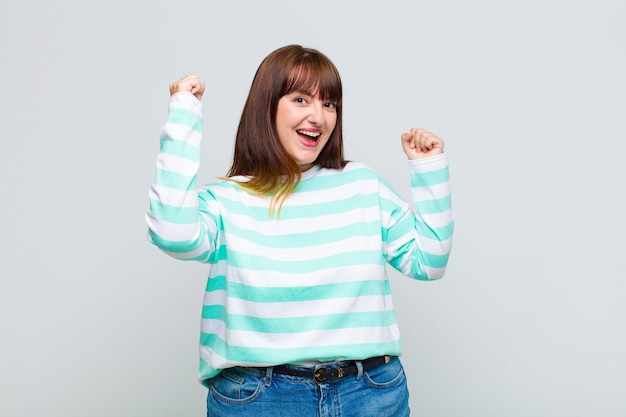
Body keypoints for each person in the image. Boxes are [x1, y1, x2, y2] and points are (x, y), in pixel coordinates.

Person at [146, 44, 454, 416]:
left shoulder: (362, 185)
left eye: (329, 104)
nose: (319, 117)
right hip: (260, 399)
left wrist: (430, 170)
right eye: (301, 99)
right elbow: (172, 233)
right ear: (268, 106)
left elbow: (429, 263)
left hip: (370, 394)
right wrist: (184, 113)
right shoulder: (228, 198)